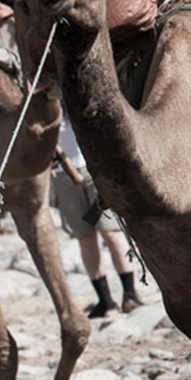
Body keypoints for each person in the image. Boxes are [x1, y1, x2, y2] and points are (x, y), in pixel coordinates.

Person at [52, 117, 141, 317]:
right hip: (62, 172)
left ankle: (130, 293)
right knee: (85, 237)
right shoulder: (35, 97)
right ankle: (105, 300)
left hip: (95, 167)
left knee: (111, 232)